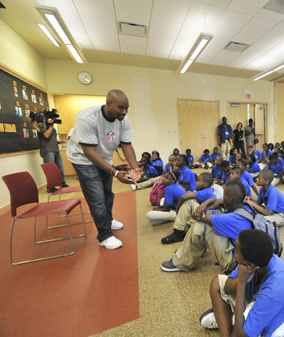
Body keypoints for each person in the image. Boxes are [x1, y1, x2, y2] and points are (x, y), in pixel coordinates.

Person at [66, 89, 141, 249]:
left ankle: (108, 219)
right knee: (97, 197)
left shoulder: (124, 120)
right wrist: (114, 172)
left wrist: (136, 168)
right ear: (108, 103)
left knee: (107, 192)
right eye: (121, 108)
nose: (124, 112)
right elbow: (89, 151)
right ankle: (104, 235)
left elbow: (126, 145)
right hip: (83, 159)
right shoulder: (86, 118)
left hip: (104, 157)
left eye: (127, 108)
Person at [201, 229, 284, 336]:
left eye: (236, 250)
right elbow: (227, 288)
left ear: (250, 265)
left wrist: (242, 282)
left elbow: (240, 335)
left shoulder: (275, 288)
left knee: (241, 332)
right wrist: (240, 280)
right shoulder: (252, 260)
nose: (234, 253)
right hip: (258, 300)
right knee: (216, 284)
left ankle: (234, 318)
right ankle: (236, 321)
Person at [160, 181, 253, 272]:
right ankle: (186, 252)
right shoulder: (247, 209)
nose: (222, 197)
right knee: (209, 222)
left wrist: (206, 206)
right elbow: (215, 206)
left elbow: (197, 217)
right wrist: (209, 205)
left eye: (224, 195)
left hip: (234, 263)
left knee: (203, 225)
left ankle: (181, 263)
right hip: (241, 256)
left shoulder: (230, 218)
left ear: (229, 200)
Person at [159, 172, 215, 243]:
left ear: (206, 184)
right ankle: (182, 229)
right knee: (190, 202)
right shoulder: (205, 190)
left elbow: (184, 197)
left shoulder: (206, 192)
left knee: (189, 200)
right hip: (204, 214)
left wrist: (178, 209)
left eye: (198, 180)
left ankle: (179, 232)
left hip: (208, 216)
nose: (195, 182)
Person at [33, 115, 68, 191]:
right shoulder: (41, 125)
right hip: (47, 151)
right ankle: (50, 187)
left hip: (56, 150)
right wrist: (51, 126)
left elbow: (51, 139)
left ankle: (63, 183)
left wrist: (59, 142)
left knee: (61, 169)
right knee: (50, 170)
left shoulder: (51, 127)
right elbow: (46, 135)